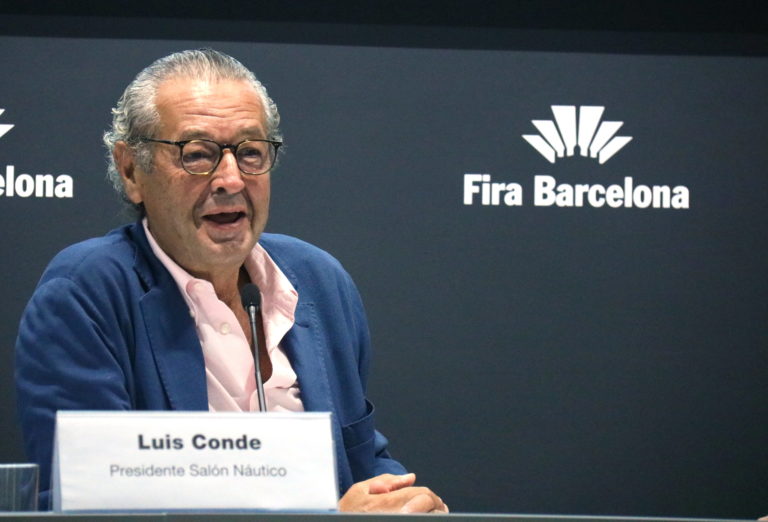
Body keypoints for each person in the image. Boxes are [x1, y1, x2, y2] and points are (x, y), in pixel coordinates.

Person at [14, 48, 446, 514]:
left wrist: (404, 503)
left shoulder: (319, 282)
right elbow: (90, 509)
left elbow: (361, 459)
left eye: (250, 152)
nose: (230, 180)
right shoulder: (86, 293)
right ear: (131, 170)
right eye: (197, 154)